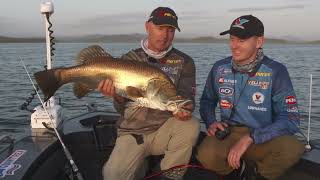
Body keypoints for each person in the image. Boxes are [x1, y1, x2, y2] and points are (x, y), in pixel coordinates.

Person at [196, 15, 304, 180]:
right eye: (232, 39)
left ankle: (256, 174)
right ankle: (236, 171)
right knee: (206, 155)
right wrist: (211, 121)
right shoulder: (219, 68)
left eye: (241, 40)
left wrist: (251, 137)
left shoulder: (276, 71)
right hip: (229, 133)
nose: (234, 46)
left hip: (264, 134)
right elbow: (207, 101)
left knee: (292, 148)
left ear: (259, 42)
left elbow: (290, 118)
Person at [98, 7, 200, 180]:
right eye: (160, 28)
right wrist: (115, 95)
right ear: (147, 27)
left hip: (165, 129)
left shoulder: (185, 62)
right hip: (133, 131)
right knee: (112, 176)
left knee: (191, 125)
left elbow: (186, 99)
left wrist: (186, 108)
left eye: (170, 30)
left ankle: (169, 176)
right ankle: (139, 165)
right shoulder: (128, 60)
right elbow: (121, 109)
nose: (165, 35)